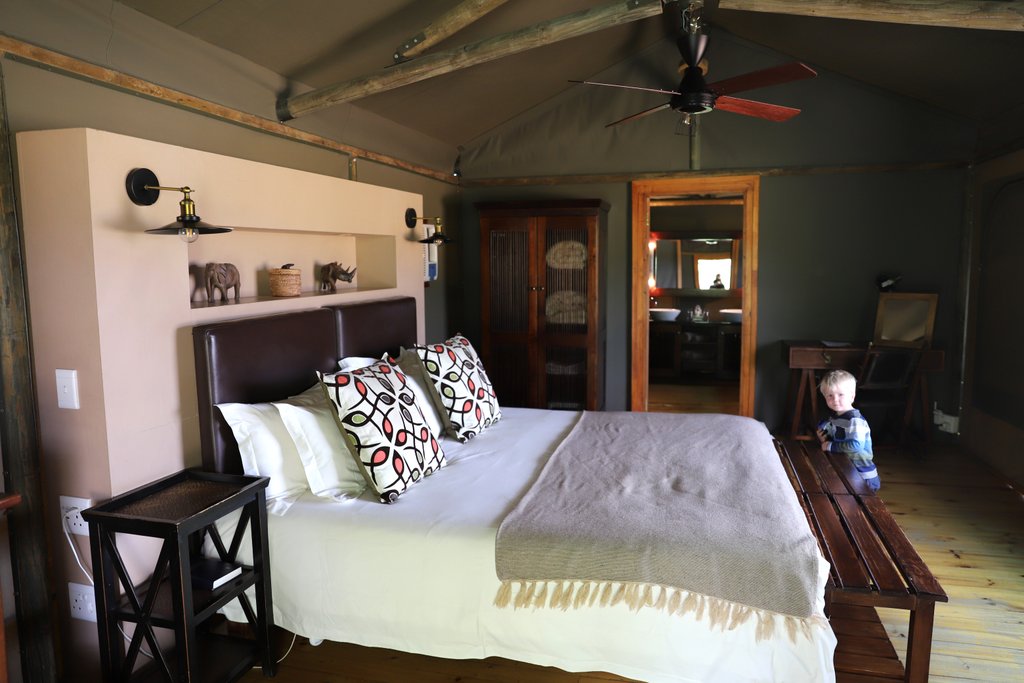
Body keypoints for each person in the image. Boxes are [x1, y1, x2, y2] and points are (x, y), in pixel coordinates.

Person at [816, 369, 880, 491]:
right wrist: (825, 437)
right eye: (830, 395)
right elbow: (835, 437)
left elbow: (856, 445)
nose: (835, 399)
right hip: (847, 470)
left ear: (852, 396)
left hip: (862, 475)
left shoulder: (855, 420)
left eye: (840, 394)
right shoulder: (836, 417)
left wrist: (830, 446)